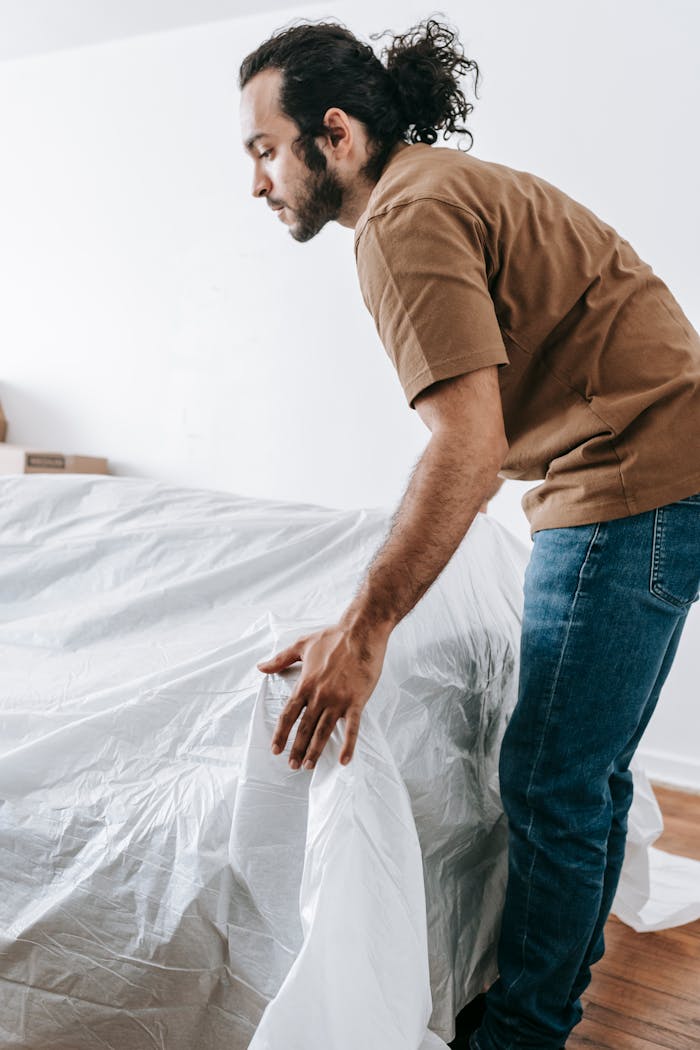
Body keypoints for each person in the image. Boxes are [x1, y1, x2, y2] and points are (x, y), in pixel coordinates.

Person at [238, 17, 700, 1050]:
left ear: (337, 135)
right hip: (662, 468)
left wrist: (362, 632)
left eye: (264, 150)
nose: (258, 182)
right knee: (581, 774)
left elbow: (466, 446)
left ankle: (522, 1033)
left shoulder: (403, 219)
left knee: (550, 779)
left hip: (629, 479)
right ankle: (534, 1007)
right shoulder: (440, 183)